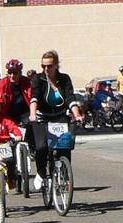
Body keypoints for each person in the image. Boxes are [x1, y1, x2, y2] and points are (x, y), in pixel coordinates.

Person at [28, 50, 84, 187]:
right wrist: (33, 114)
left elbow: (70, 98)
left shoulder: (64, 79)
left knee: (64, 146)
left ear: (56, 65)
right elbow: (34, 97)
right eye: (43, 66)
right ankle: (41, 172)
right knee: (41, 147)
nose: (46, 69)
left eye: (49, 66)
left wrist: (76, 115)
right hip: (42, 117)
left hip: (60, 116)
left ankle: (64, 173)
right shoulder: (38, 79)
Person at [0, 58, 32, 126]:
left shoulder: (26, 82)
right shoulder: (3, 83)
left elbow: (31, 97)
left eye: (15, 73)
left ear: (20, 73)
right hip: (8, 113)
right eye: (9, 73)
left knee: (31, 124)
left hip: (24, 113)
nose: (12, 76)